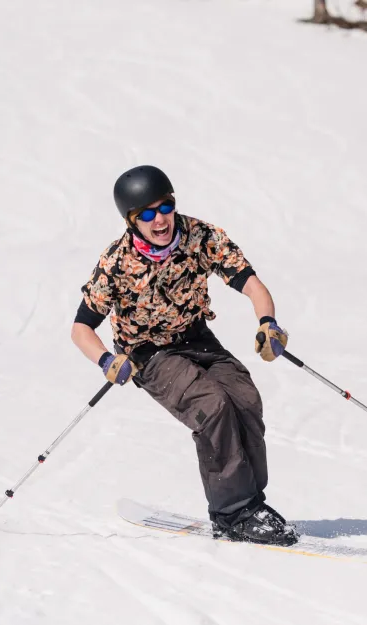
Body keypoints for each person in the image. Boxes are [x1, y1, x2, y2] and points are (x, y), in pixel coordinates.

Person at [71, 165, 298, 547]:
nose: (158, 219)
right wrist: (108, 361)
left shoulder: (201, 236)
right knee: (212, 407)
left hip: (196, 337)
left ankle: (251, 505)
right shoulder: (115, 264)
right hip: (147, 353)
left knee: (244, 399)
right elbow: (81, 329)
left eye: (164, 207)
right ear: (131, 221)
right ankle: (231, 513)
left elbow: (252, 284)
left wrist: (268, 323)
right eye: (146, 214)